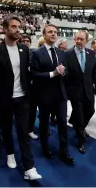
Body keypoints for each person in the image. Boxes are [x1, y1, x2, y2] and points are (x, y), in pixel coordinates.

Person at [0, 16, 41, 180]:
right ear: (5, 29)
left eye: (19, 27)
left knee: (23, 132)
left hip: (22, 98)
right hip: (3, 99)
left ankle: (29, 168)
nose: (18, 30)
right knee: (6, 130)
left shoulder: (24, 50)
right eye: (14, 27)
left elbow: (25, 74)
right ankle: (10, 153)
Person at [30, 24, 74, 165]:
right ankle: (45, 148)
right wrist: (52, 73)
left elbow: (65, 73)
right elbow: (34, 74)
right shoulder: (36, 53)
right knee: (44, 124)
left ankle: (64, 152)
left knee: (62, 123)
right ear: (44, 34)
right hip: (44, 95)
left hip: (60, 95)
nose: (53, 34)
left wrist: (63, 72)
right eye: (50, 32)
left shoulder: (62, 53)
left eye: (55, 32)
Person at [65, 30, 96, 154]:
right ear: (74, 40)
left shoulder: (91, 53)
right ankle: (81, 141)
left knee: (90, 111)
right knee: (80, 117)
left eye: (82, 39)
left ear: (86, 41)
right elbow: (65, 75)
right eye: (77, 39)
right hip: (74, 91)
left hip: (88, 90)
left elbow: (95, 72)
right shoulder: (67, 54)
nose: (79, 41)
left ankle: (77, 126)